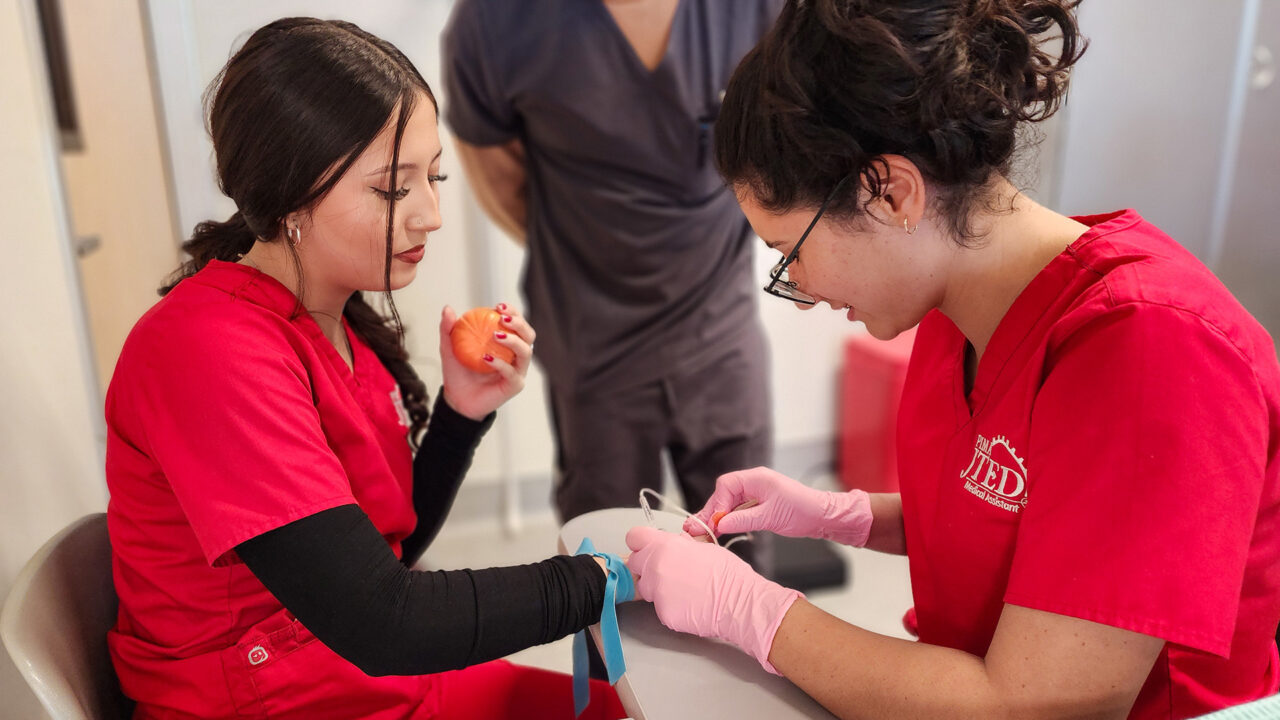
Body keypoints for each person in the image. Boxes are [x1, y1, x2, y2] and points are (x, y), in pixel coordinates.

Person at [623, 1, 1280, 718]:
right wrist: (845, 517)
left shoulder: (1152, 347)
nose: (801, 290)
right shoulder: (955, 312)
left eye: (793, 253)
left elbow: (1037, 706)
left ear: (891, 192)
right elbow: (1013, 514)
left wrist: (750, 611)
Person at [104, 18, 631, 720]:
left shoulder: (337, 317)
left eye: (433, 178)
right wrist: (603, 580)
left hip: (356, 677)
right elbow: (386, 621)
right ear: (291, 192)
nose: (433, 215)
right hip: (275, 703)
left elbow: (385, 546)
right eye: (394, 189)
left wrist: (461, 414)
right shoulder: (209, 350)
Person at [440, 0, 782, 525]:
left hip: (721, 333)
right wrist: (598, 248)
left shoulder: (758, 11)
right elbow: (502, 182)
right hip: (594, 343)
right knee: (605, 564)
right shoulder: (495, 21)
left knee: (743, 546)